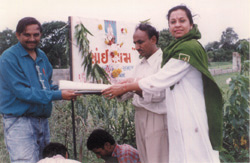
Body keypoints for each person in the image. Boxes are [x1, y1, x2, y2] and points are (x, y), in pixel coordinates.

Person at [102, 5, 223, 163]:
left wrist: (126, 86)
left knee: (194, 155)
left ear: (191, 24)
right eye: (173, 22)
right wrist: (128, 83)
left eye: (182, 20)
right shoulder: (176, 48)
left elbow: (160, 80)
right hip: (178, 113)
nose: (177, 25)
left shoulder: (189, 48)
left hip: (189, 113)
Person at [0, 17, 79, 163]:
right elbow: (22, 92)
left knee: (45, 161)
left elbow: (47, 86)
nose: (32, 39)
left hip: (42, 121)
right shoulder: (9, 58)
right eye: (27, 35)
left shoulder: (42, 56)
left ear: (41, 35)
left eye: (36, 35)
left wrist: (70, 90)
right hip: (19, 122)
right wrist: (59, 94)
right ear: (18, 35)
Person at [116, 23, 168, 163]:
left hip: (156, 116)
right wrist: (116, 90)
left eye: (140, 42)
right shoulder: (140, 64)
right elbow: (130, 92)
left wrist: (130, 87)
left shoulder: (163, 61)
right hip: (140, 115)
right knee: (145, 158)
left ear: (153, 40)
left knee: (157, 159)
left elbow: (158, 95)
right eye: (135, 43)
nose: (137, 47)